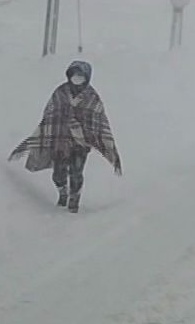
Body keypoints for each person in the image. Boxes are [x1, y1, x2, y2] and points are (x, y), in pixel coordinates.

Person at [9, 59, 122, 212]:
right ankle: (63, 191)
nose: (77, 78)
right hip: (60, 140)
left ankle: (74, 200)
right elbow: (50, 114)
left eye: (81, 75)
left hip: (81, 144)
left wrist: (88, 134)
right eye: (75, 75)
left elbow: (98, 121)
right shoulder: (60, 92)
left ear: (87, 77)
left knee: (76, 172)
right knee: (58, 173)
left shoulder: (92, 97)